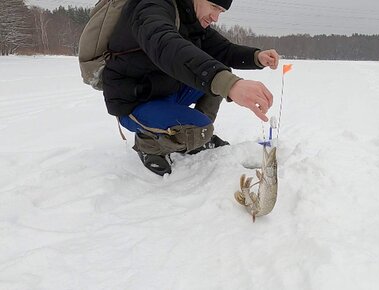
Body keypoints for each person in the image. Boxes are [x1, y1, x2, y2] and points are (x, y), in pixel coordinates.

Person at [102, 0, 280, 175]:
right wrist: (230, 84)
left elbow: (224, 50)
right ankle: (148, 144)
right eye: (214, 7)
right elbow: (166, 45)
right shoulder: (151, 7)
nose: (215, 17)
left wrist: (256, 57)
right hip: (134, 101)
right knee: (218, 81)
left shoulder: (190, 21)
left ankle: (197, 134)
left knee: (218, 72)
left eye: (221, 12)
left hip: (164, 90)